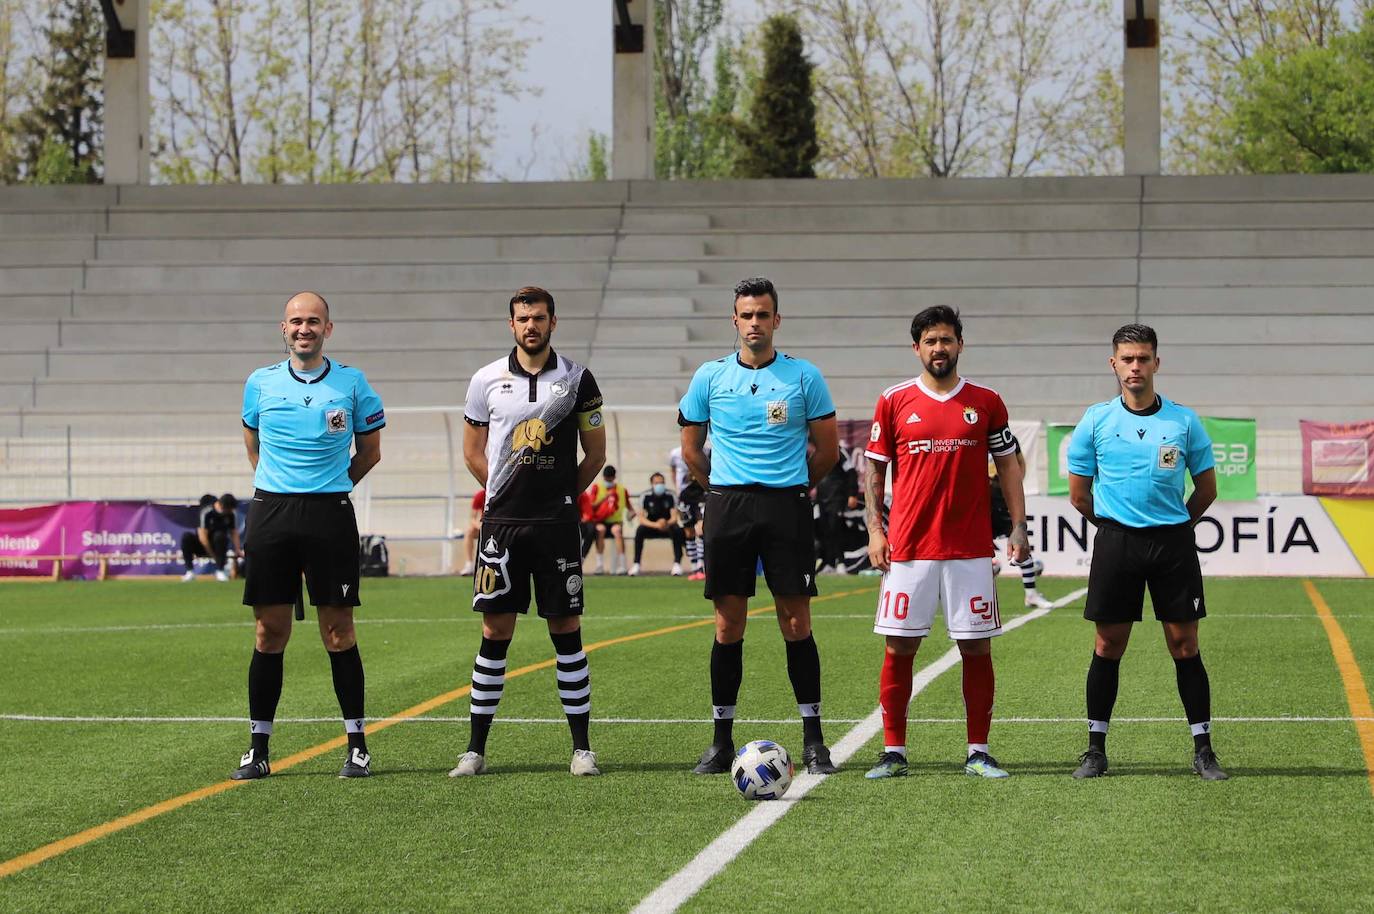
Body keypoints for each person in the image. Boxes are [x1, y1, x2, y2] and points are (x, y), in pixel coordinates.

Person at [679, 277, 841, 776]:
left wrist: (790, 488)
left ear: (777, 319)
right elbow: (691, 448)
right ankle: (721, 742)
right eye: (746, 315)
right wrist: (718, 490)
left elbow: (828, 450)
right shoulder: (710, 376)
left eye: (762, 314)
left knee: (796, 622)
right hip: (728, 508)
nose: (754, 323)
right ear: (735, 320)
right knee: (729, 625)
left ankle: (814, 742)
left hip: (786, 508)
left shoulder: (804, 376)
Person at [862, 305, 1031, 781]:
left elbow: (1009, 465)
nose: (940, 348)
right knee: (899, 648)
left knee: (976, 650)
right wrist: (876, 530)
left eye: (947, 340)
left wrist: (1018, 526)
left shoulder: (986, 401)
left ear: (960, 345)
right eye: (931, 341)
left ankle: (979, 750)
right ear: (917, 348)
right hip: (909, 548)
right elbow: (874, 470)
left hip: (970, 549)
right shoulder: (893, 401)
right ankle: (894, 750)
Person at [452, 286, 607, 778]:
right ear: (511, 325)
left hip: (557, 526)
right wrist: (502, 491)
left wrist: (562, 495)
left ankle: (582, 749)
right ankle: (475, 750)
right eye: (522, 319)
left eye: (538, 318)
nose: (530, 326)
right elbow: (473, 451)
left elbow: (596, 454)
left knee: (566, 631)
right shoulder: (486, 380)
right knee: (495, 632)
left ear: (553, 322)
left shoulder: (578, 380)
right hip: (502, 527)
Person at [235, 291, 385, 780]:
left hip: (330, 516)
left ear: (328, 329)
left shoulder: (352, 383)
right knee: (269, 630)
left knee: (338, 631)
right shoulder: (259, 383)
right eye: (296, 321)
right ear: (283, 329)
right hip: (272, 514)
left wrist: (328, 488)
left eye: (313, 321)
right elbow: (253, 445)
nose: (304, 328)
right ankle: (258, 750)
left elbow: (370, 452)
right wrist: (280, 489)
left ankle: (357, 747)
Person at [1066, 323, 1225, 780]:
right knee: (1108, 644)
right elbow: (1079, 495)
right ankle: (1095, 750)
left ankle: (1204, 750)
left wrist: (1176, 527)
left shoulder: (1183, 420)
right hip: (1117, 544)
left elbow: (1207, 489)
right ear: (1113, 364)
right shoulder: (1096, 420)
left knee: (1185, 644)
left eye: (1143, 358)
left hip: (1172, 544)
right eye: (1127, 359)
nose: (1135, 367)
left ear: (1157, 362)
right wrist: (1116, 529)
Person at [989, 448, 1053, 608]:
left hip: (1003, 502)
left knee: (1021, 545)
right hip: (981, 502)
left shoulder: (1008, 438)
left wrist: (1013, 484)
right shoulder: (975, 433)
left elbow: (1019, 464)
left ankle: (1031, 594)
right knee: (977, 552)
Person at [629, 472, 685, 576]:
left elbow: (674, 517)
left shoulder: (670, 495)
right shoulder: (645, 496)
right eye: (657, 483)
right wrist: (656, 525)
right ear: (652, 484)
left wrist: (665, 523)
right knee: (640, 530)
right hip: (652, 526)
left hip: (667, 526)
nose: (660, 485)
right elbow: (641, 518)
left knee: (677, 530)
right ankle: (636, 564)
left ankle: (677, 564)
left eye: (662, 482)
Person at [815, 447, 858, 574]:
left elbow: (851, 472)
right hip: (822, 498)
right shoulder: (817, 453)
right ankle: (828, 562)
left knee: (835, 528)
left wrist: (852, 493)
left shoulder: (839, 451)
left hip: (836, 497)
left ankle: (840, 562)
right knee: (824, 529)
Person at [180, 493, 242, 582]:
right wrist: (213, 555)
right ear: (223, 506)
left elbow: (233, 532)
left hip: (218, 545)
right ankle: (190, 571)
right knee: (186, 537)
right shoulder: (207, 512)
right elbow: (203, 537)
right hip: (203, 545)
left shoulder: (230, 514)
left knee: (220, 535)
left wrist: (237, 549)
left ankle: (221, 570)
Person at [669, 444, 706, 578]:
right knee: (688, 531)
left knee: (701, 528)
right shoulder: (675, 453)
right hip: (685, 496)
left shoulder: (708, 450)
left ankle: (702, 566)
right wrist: (678, 489)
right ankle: (694, 566)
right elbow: (673, 471)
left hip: (702, 493)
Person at [588, 465, 633, 574]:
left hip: (615, 522)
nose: (608, 481)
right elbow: (591, 505)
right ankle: (599, 565)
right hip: (600, 521)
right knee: (600, 530)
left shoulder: (622, 490)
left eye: (610, 479)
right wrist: (604, 498)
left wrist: (631, 515)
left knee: (617, 531)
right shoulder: (596, 487)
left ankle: (622, 566)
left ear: (614, 477)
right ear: (603, 477)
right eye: (606, 479)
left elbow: (630, 508)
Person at [458, 489, 486, 576]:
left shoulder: (501, 493)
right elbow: (472, 518)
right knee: (469, 532)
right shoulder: (480, 495)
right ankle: (469, 564)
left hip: (498, 526)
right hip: (484, 525)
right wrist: (479, 526)